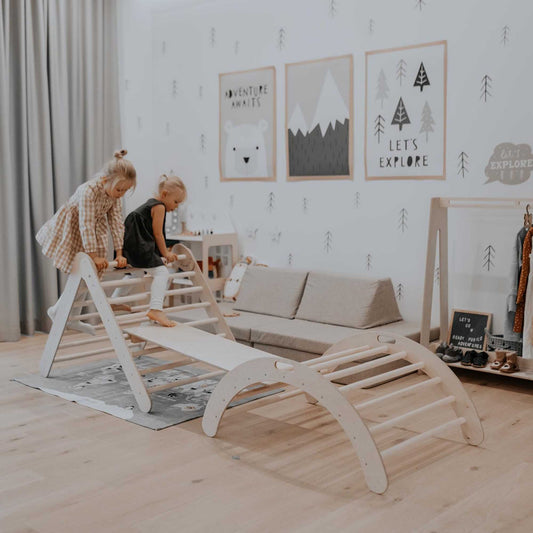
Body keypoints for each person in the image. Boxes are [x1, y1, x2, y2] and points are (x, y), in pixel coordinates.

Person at [36, 149, 136, 332]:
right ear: (105, 180)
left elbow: (116, 223)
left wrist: (120, 253)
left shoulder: (114, 195)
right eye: (119, 189)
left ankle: (62, 312)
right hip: (73, 227)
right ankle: (62, 312)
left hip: (91, 233)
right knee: (82, 271)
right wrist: (94, 255)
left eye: (126, 190)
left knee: (84, 274)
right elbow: (86, 223)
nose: (121, 193)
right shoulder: (88, 191)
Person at [112, 174, 190, 327]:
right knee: (162, 273)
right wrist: (166, 253)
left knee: (135, 272)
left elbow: (152, 234)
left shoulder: (151, 204)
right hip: (138, 242)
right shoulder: (159, 206)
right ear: (164, 195)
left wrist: (161, 253)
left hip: (131, 242)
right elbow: (157, 233)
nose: (176, 207)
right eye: (175, 202)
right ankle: (156, 308)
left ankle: (114, 302)